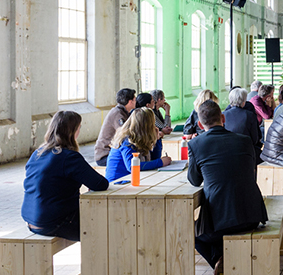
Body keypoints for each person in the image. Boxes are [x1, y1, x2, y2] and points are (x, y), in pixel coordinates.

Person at [186, 100, 268, 275]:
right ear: (223, 119)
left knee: (194, 234)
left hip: (221, 219)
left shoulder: (196, 144)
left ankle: (220, 263)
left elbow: (194, 180)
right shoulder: (244, 140)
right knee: (215, 229)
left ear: (199, 124)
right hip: (252, 214)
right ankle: (224, 268)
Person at [21, 110, 109, 241]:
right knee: (106, 224)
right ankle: (101, 260)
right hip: (53, 221)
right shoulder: (69, 157)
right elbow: (101, 184)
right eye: (79, 128)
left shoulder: (38, 153)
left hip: (31, 219)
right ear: (73, 131)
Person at [105, 108, 172, 182]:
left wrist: (157, 139)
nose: (155, 127)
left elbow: (154, 158)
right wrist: (160, 162)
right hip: (117, 182)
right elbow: (132, 166)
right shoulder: (127, 140)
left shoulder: (139, 138)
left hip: (130, 179)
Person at [94, 88, 136, 165]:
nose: (136, 101)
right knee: (133, 162)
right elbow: (125, 134)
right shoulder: (118, 114)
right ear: (130, 102)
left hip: (113, 152)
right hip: (105, 155)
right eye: (135, 99)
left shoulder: (124, 112)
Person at [224, 87, 263, 164]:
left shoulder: (223, 115)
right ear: (243, 102)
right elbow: (255, 139)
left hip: (227, 151)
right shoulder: (250, 115)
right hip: (246, 150)